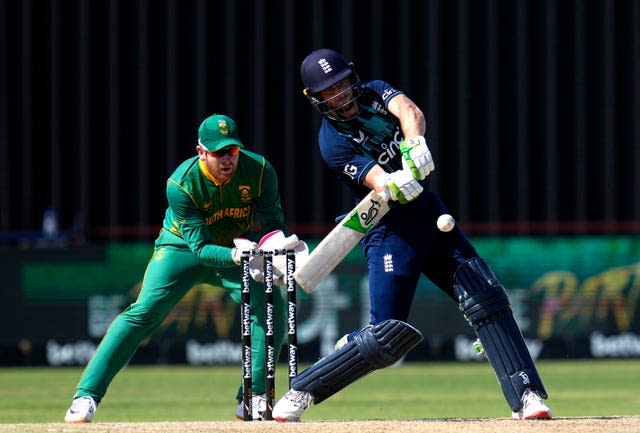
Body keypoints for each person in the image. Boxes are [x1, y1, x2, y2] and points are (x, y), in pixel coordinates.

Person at [272, 48, 552, 422]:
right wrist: (392, 181)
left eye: (341, 83)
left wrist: (414, 142)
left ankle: (526, 395)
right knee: (386, 337)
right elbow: (377, 180)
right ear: (316, 98)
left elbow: (410, 111)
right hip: (390, 229)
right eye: (329, 90)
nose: (339, 93)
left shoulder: (373, 92)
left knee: (486, 297)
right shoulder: (333, 141)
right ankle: (304, 388)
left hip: (428, 214)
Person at [64, 114, 307, 423]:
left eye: (231, 151)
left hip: (238, 246)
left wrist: (274, 250)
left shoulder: (259, 170)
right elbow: (201, 249)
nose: (227, 160)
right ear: (200, 152)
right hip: (183, 249)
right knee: (143, 313)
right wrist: (238, 256)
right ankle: (86, 396)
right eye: (218, 153)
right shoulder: (181, 184)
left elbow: (273, 224)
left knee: (273, 308)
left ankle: (253, 398)